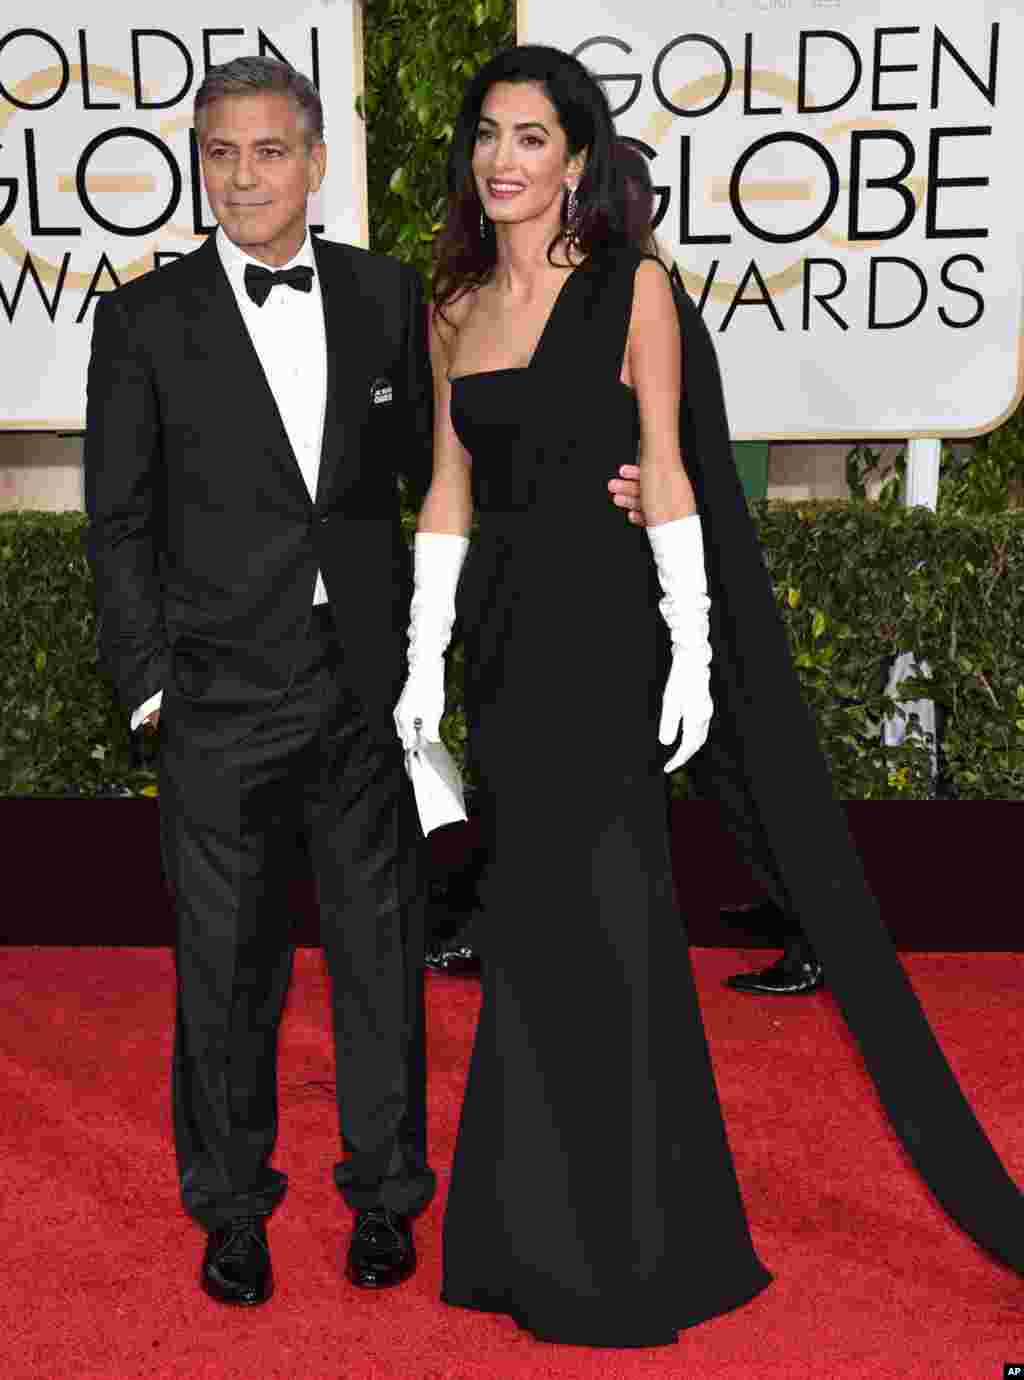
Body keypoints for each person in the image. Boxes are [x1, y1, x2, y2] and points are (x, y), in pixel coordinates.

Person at [394, 44, 1023, 1348]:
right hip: (504, 655)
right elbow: (449, 497)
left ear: (577, 160)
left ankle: (629, 1248)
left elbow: (668, 474)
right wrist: (418, 663)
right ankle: (520, 1237)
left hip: (609, 641)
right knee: (531, 936)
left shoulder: (636, 290)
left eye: (531, 138)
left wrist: (688, 651)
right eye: (488, 136)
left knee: (615, 930)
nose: (504, 161)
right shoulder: (453, 310)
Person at [83, 54, 645, 1310]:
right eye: (220, 153)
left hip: (363, 691)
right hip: (217, 699)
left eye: (270, 150)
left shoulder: (393, 297)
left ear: (317, 162)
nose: (243, 176)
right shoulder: (142, 321)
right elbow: (115, 524)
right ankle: (231, 1208)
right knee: (223, 973)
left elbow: (463, 463)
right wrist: (152, 689)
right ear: (200, 163)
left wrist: (608, 480)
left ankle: (387, 1196)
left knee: (382, 958)